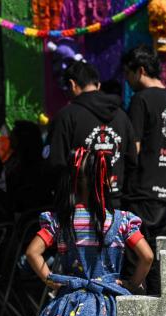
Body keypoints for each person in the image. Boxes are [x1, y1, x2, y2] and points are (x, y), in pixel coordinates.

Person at [17, 147, 154, 316]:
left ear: (70, 179)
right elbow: (147, 256)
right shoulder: (121, 221)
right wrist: (132, 285)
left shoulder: (60, 221)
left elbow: (32, 253)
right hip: (112, 304)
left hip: (71, 302)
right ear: (106, 180)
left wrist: (51, 280)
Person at [47, 61, 137, 209]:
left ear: (72, 84)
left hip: (77, 209)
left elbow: (55, 163)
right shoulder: (122, 116)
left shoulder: (66, 116)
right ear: (98, 85)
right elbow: (132, 161)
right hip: (115, 205)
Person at [122, 45, 166, 240]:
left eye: (127, 73)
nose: (126, 79)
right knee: (159, 257)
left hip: (142, 193)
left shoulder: (141, 100)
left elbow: (134, 147)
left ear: (140, 70)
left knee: (139, 257)